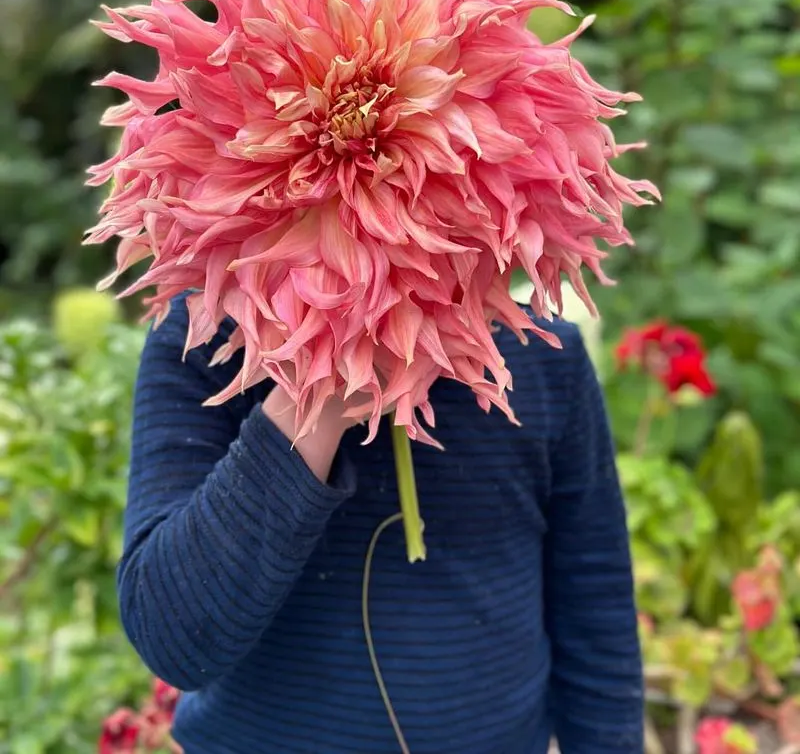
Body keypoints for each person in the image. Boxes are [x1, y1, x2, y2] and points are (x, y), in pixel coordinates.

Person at [118, 292, 643, 753]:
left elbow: (595, 609)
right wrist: (316, 399)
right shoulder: (206, 331)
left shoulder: (542, 354)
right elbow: (174, 640)